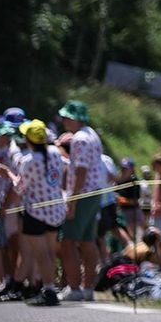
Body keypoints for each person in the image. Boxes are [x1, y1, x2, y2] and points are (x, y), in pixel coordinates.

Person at [0, 120, 66, 306]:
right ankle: (49, 288)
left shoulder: (29, 160)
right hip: (56, 210)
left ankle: (48, 289)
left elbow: (20, 188)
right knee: (50, 251)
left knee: (40, 252)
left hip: (36, 212)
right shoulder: (55, 153)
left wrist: (8, 173)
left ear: (28, 139)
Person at [57, 100, 105, 301]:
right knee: (87, 240)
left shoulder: (80, 139)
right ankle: (87, 288)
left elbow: (81, 171)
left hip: (83, 193)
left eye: (68, 116)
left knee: (68, 241)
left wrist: (72, 200)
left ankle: (75, 288)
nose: (64, 120)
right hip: (94, 192)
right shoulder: (91, 133)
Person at [0, 119, 21, 299]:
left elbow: (17, 182)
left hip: (14, 203)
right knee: (2, 243)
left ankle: (16, 280)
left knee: (14, 243)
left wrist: (7, 205)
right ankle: (7, 280)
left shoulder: (13, 152)